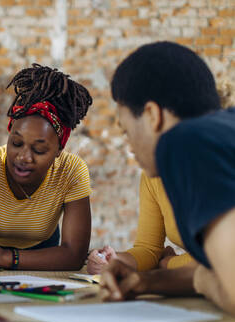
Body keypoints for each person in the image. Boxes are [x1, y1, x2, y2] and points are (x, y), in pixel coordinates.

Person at [99, 41, 235, 315]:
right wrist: (147, 280)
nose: (130, 146)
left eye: (126, 131)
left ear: (152, 115)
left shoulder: (185, 141)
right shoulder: (225, 129)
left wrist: (205, 279)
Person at [0, 64, 93, 270]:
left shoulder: (72, 170)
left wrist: (4, 257)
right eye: (16, 143)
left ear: (59, 149)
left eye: (39, 150)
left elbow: (74, 255)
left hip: (45, 254)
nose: (23, 157)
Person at [87, 77, 235, 275]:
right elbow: (148, 249)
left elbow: (218, 258)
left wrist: (167, 264)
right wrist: (114, 260)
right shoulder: (155, 175)